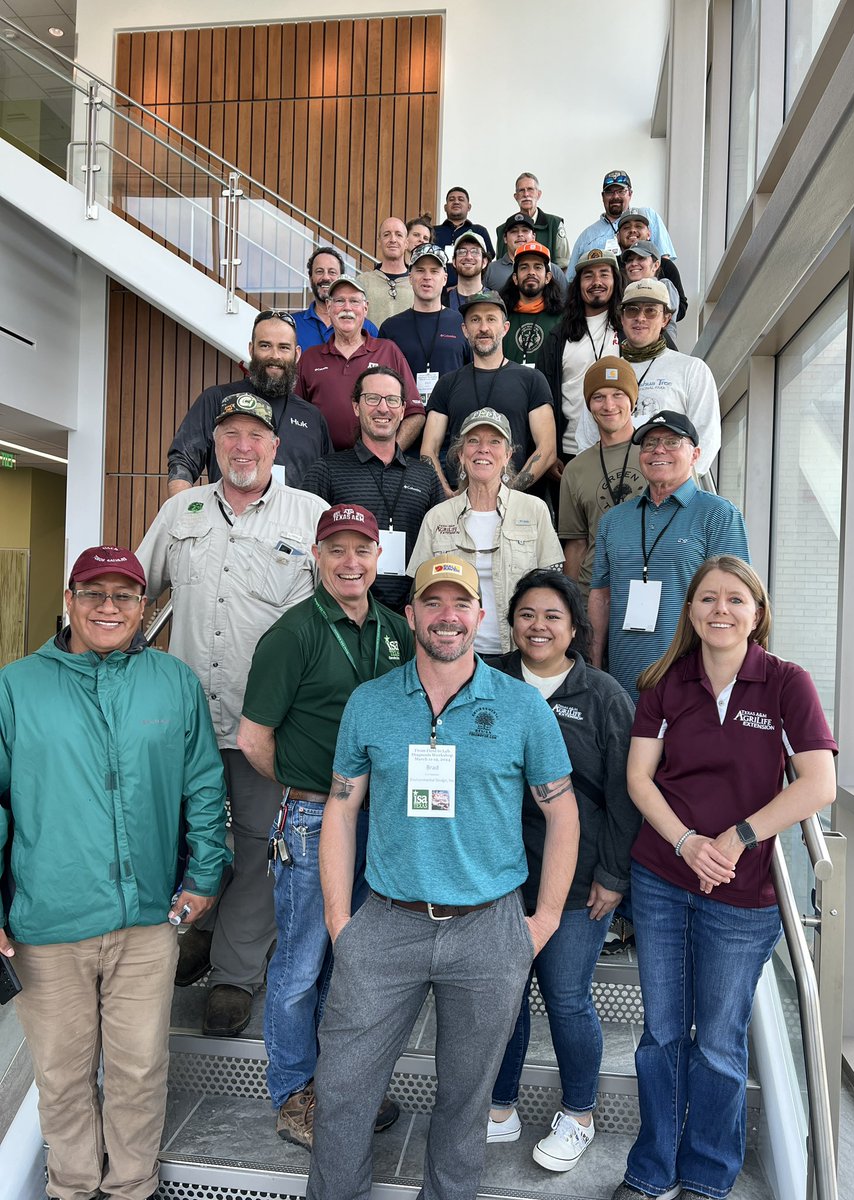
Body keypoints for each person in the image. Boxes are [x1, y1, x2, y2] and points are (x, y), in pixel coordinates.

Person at [305, 552, 580, 1200]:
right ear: (411, 615)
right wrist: (340, 920)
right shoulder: (371, 703)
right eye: (433, 602)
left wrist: (539, 923)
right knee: (343, 1088)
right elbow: (341, 807)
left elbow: (562, 814)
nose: (446, 615)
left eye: (460, 603)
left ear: (480, 618)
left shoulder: (520, 708)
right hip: (386, 925)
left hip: (487, 930)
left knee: (465, 1102)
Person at [0, 545, 229, 1200]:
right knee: (63, 1077)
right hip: (47, 925)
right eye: (93, 593)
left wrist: (205, 875)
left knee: (139, 1071)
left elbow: (205, 787)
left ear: (143, 607)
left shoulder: (173, 682)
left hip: (146, 923)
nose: (109, 607)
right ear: (68, 601)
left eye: (124, 595)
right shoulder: (15, 687)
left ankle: (132, 1188)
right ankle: (71, 1188)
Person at [613, 556, 837, 1200]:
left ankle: (708, 1177)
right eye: (707, 599)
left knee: (717, 1041)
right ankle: (652, 1171)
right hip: (662, 877)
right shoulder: (664, 682)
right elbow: (638, 777)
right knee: (660, 1033)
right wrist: (685, 843)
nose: (720, 609)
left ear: (757, 614)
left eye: (735, 600)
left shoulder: (786, 684)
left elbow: (817, 785)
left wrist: (737, 836)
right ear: (689, 613)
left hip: (743, 895)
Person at [138, 394, 329, 1037]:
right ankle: (197, 936)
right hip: (184, 722)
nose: (242, 447)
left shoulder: (310, 516)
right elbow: (137, 591)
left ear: (276, 448)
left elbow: (327, 622)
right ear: (215, 445)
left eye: (255, 435)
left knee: (255, 846)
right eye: (230, 436)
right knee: (188, 839)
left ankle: (235, 974)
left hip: (263, 726)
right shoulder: (181, 510)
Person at [237, 503, 415, 1148]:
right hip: (315, 818)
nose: (350, 562)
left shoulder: (397, 629)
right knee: (302, 964)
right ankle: (294, 1092)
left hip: (380, 821)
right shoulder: (294, 633)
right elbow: (254, 738)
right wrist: (305, 787)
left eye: (361, 550)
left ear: (378, 559)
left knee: (357, 962)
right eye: (336, 549)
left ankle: (343, 1084)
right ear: (317, 556)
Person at [486, 570, 639, 1172]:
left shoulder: (602, 696)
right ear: (511, 622)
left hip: (578, 880)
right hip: (497, 874)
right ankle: (499, 1106)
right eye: (527, 614)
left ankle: (579, 1113)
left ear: (575, 627)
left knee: (567, 996)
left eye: (552, 615)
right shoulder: (488, 680)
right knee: (502, 996)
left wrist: (613, 875)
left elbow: (627, 796)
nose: (539, 626)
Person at [588, 411, 749, 701]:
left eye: (672, 442)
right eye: (649, 444)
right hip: (622, 683)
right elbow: (601, 597)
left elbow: (738, 601)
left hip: (694, 682)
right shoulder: (613, 520)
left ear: (695, 454)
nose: (658, 450)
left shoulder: (719, 514)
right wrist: (594, 668)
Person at [409, 407, 563, 655]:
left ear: (507, 454)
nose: (484, 449)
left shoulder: (534, 510)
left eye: (495, 441)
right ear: (460, 454)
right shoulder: (437, 517)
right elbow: (418, 595)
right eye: (473, 441)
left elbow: (554, 590)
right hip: (454, 655)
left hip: (519, 654)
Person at [301, 367, 444, 612]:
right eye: (372, 398)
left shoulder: (425, 476)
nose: (383, 408)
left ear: (402, 410)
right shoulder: (327, 469)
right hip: (344, 613)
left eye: (392, 400)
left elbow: (441, 547)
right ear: (356, 406)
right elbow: (306, 548)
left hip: (411, 617)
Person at [167, 309, 332, 494]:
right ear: (251, 349)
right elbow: (182, 462)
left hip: (295, 521)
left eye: (284, 347)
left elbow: (328, 482)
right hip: (231, 519)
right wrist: (185, 517)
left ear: (297, 354)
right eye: (265, 346)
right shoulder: (216, 400)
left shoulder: (312, 417)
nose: (275, 356)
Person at [420, 291, 558, 496]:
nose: (483, 328)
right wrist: (448, 495)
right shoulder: (447, 383)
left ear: (505, 328)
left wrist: (508, 492)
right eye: (475, 320)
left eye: (491, 319)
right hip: (459, 502)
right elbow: (428, 449)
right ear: (465, 330)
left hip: (515, 505)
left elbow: (547, 450)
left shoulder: (532, 380)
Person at [295, 275, 425, 452]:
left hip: (377, 467)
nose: (347, 308)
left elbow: (414, 413)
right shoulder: (310, 359)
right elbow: (295, 416)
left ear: (365, 308)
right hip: (324, 465)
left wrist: (390, 455)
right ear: (328, 307)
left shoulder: (388, 351)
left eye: (354, 301)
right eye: (340, 301)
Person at [559, 357, 647, 598]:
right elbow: (576, 545)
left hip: (648, 589)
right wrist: (571, 605)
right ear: (589, 405)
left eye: (618, 394)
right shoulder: (575, 469)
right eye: (599, 397)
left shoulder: (657, 456)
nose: (609, 405)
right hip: (592, 594)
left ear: (633, 399)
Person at [616, 279, 721, 475]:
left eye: (650, 311)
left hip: (671, 489)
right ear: (622, 318)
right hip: (616, 486)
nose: (640, 317)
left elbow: (707, 435)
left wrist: (682, 485)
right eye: (632, 310)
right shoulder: (607, 371)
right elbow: (588, 436)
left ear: (666, 319)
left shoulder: (691, 369)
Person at [536, 249, 624, 472]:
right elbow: (542, 399)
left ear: (615, 280)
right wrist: (550, 451)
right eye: (588, 276)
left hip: (623, 449)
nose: (597, 282)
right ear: (577, 285)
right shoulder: (558, 337)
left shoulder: (630, 330)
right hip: (569, 453)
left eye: (604, 274)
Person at [378, 243, 471, 408]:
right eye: (420, 270)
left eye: (434, 271)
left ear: (444, 278)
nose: (427, 277)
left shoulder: (462, 324)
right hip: (406, 421)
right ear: (410, 277)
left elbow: (473, 375)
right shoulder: (391, 328)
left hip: (452, 422)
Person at [568, 170, 677, 281]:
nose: (615, 196)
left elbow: (664, 261)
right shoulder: (587, 236)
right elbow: (571, 279)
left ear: (630, 193)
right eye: (609, 192)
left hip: (648, 292)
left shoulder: (649, 216)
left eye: (621, 191)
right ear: (603, 196)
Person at [290, 246, 378, 351]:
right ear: (310, 278)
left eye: (332, 272)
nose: (326, 277)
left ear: (341, 277)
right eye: (319, 271)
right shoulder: (292, 325)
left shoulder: (367, 327)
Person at [500, 241, 565, 368]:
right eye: (524, 267)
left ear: (547, 277)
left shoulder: (562, 317)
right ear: (515, 278)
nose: (531, 272)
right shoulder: (501, 316)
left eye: (538, 267)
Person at [617, 210, 687, 322]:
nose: (633, 230)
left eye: (639, 226)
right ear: (618, 236)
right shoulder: (612, 267)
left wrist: (654, 317)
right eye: (626, 228)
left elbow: (680, 307)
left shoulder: (666, 267)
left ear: (649, 233)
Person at [496, 171, 570, 267]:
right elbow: (500, 264)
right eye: (521, 190)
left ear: (538, 194)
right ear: (516, 197)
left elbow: (564, 264)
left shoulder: (554, 225)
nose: (526, 194)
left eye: (530, 189)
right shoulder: (503, 229)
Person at [485, 213, 568, 294]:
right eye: (514, 231)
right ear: (505, 239)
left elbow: (565, 303)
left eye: (525, 230)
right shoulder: (490, 270)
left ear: (533, 236)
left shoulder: (554, 271)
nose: (520, 234)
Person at [358, 216, 415, 328]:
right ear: (379, 241)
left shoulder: (417, 282)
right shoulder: (362, 282)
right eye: (386, 234)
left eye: (399, 235)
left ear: (406, 243)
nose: (393, 239)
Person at [433, 185, 495, 286]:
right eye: (451, 199)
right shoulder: (434, 232)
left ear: (469, 207)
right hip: (438, 290)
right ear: (445, 207)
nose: (456, 202)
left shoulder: (479, 231)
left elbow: (488, 260)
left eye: (461, 199)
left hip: (472, 290)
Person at [621, 241, 680, 347]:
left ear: (656, 265)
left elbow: (669, 326)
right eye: (629, 260)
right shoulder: (624, 291)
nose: (633, 263)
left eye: (641, 258)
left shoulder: (664, 285)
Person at [445, 229, 490, 312]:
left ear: (484, 262)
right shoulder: (441, 301)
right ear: (454, 261)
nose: (468, 257)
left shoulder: (495, 301)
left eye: (475, 251)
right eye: (462, 251)